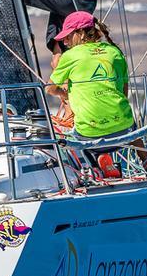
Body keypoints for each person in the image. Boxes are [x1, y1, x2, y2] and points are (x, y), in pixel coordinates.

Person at [45, 11, 138, 167]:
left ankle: (94, 168)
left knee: (63, 136)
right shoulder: (115, 52)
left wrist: (65, 94)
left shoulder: (70, 55)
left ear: (81, 33)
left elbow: (49, 89)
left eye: (68, 37)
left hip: (89, 137)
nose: (65, 43)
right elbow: (123, 92)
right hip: (125, 133)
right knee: (130, 124)